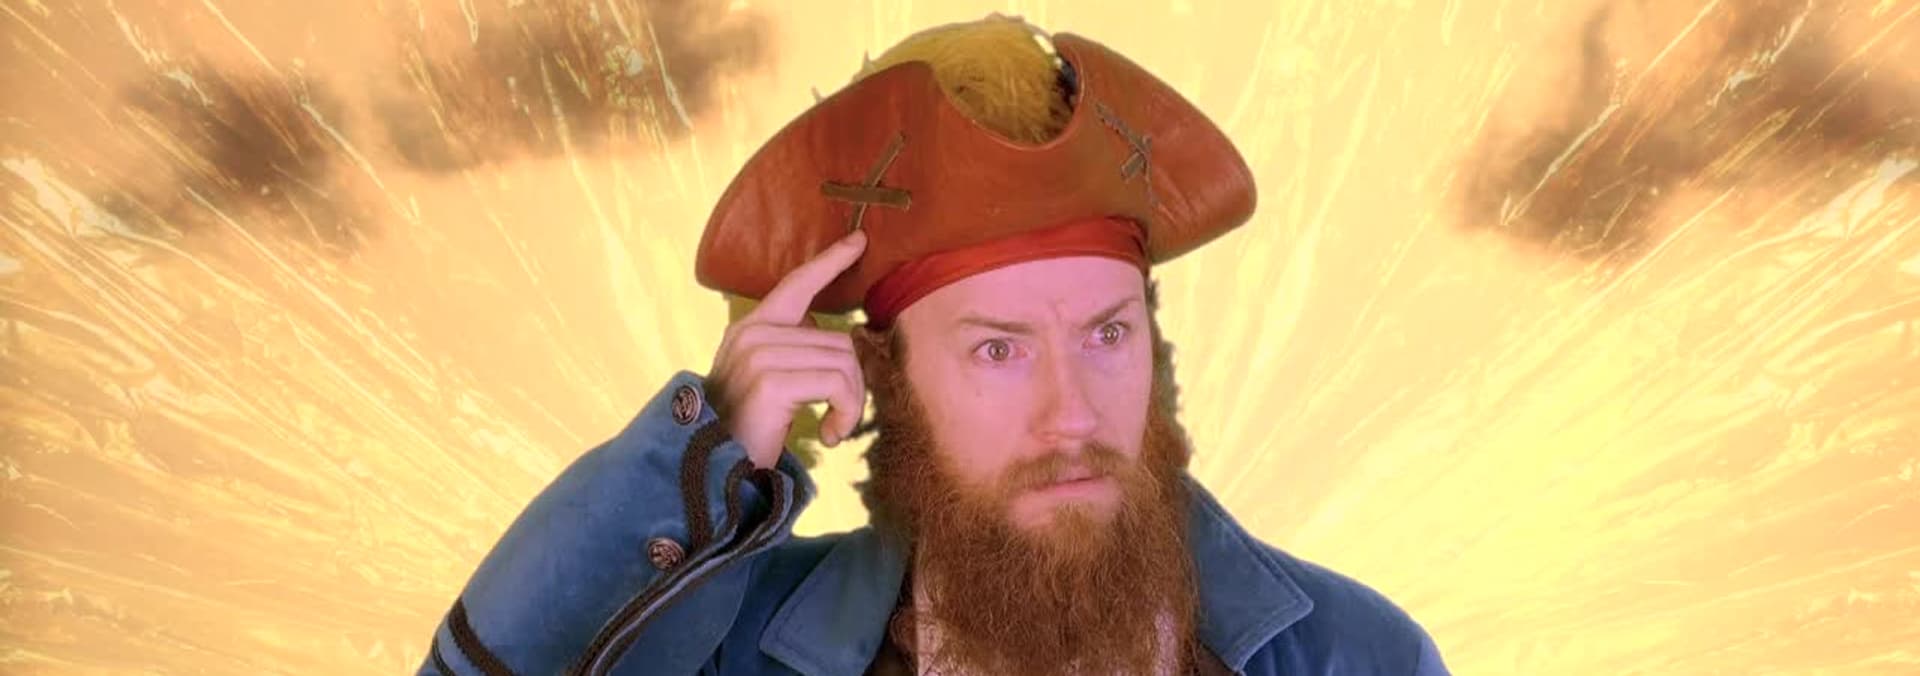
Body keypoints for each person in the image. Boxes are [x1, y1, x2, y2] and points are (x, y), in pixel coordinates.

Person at [419, 15, 1449, 676]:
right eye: (999, 350)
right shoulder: (729, 650)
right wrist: (699, 459)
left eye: (1106, 332)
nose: (1073, 413)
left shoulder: (1360, 657)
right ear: (886, 375)